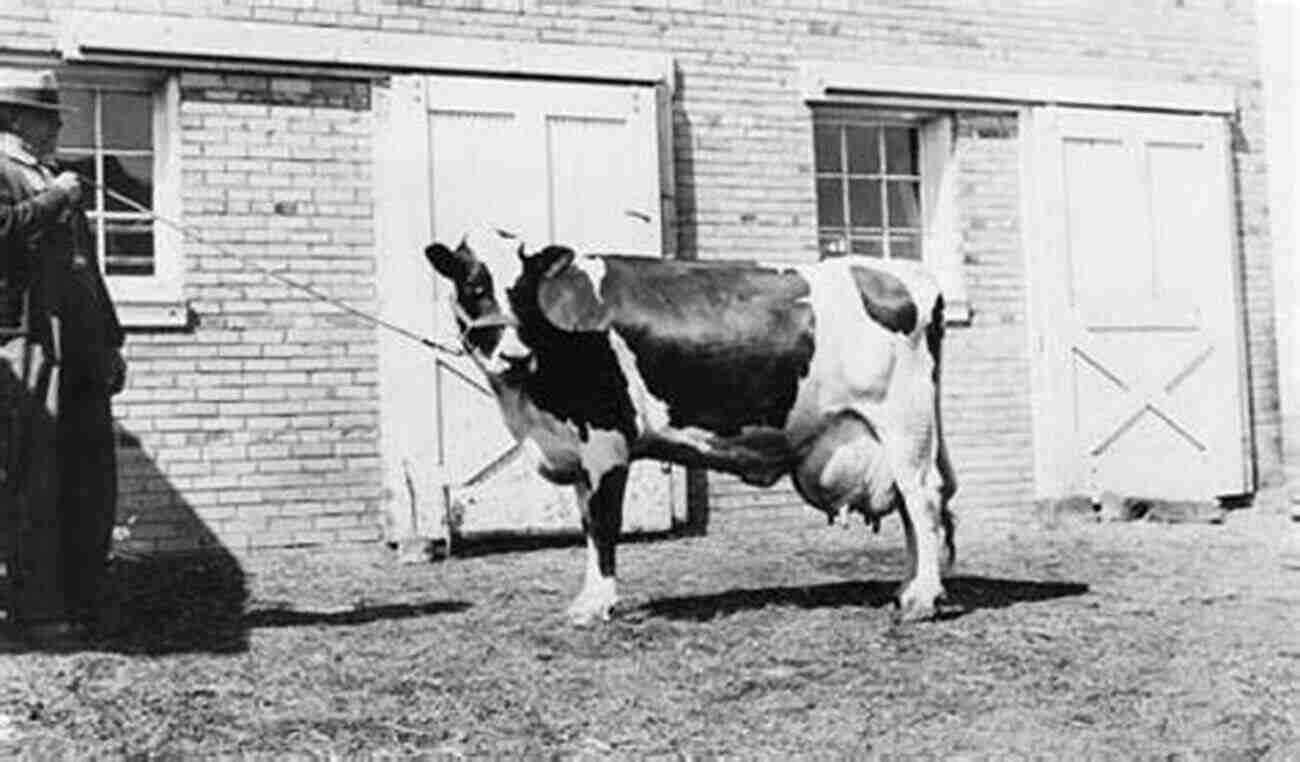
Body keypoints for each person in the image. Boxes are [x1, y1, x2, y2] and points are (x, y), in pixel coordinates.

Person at [0, 68, 126, 647]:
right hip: (30, 339)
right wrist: (56, 198)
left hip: (79, 346)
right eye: (46, 116)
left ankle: (85, 596)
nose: (54, 127)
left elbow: (88, 271)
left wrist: (111, 340)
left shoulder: (52, 177)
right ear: (14, 118)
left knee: (89, 472)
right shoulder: (10, 173)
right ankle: (36, 609)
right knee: (37, 474)